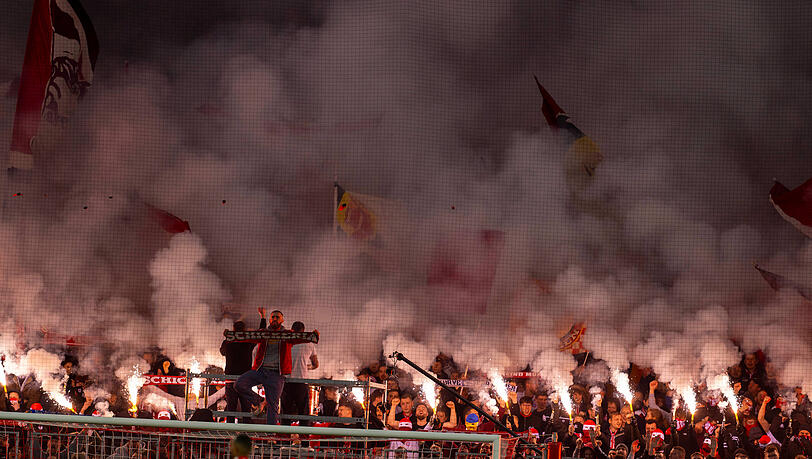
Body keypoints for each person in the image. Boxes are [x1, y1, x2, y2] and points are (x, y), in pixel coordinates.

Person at [233, 309, 317, 425]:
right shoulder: (263, 333)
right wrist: (232, 336)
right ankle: (260, 401)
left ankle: (271, 436)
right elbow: (248, 337)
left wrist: (311, 336)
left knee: (273, 407)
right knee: (239, 384)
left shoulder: (287, 335)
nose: (275, 319)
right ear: (269, 319)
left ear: (282, 320)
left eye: (278, 317)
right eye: (273, 317)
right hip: (260, 371)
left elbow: (299, 338)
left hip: (276, 375)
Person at [220, 315, 259, 423]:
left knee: (231, 409)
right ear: (244, 330)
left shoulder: (228, 342)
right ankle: (246, 432)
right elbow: (261, 335)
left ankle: (230, 433)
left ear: (233, 329)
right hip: (244, 380)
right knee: (246, 408)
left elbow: (222, 352)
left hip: (230, 380)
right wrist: (263, 318)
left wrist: (227, 338)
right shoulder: (248, 342)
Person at [281, 320, 318, 425]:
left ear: (292, 330)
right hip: (301, 381)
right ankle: (304, 439)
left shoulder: (285, 342)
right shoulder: (309, 344)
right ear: (303, 331)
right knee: (303, 412)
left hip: (286, 381)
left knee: (285, 412)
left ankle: (283, 440)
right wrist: (307, 367)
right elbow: (316, 364)